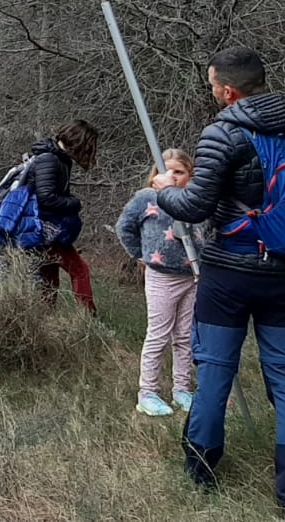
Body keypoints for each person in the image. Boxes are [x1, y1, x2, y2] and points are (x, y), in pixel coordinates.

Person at [155, 47, 285, 515]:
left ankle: (201, 472)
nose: (213, 94)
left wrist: (165, 190)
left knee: (214, 370)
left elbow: (195, 207)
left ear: (229, 90)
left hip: (229, 274)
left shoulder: (223, 133)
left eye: (213, 86)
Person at [116, 149, 199, 417]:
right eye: (168, 171)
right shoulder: (147, 198)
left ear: (190, 175)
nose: (173, 177)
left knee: (185, 335)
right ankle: (148, 393)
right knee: (159, 334)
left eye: (180, 172)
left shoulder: (196, 200)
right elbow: (124, 227)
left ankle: (182, 389)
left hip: (193, 275)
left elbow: (207, 230)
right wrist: (140, 254)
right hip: (162, 276)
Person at [25, 120, 100, 314]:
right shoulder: (50, 159)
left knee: (49, 275)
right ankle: (89, 320)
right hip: (47, 229)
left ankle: (46, 319)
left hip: (46, 229)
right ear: (78, 141)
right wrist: (74, 203)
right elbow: (46, 197)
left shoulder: (58, 158)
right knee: (80, 271)